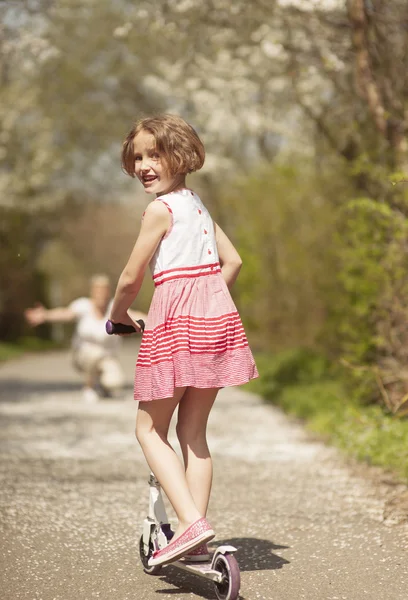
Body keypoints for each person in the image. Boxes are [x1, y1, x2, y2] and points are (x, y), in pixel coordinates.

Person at [109, 114, 258, 566]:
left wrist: (117, 316)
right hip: (215, 321)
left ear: (182, 155)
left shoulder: (160, 210)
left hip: (174, 324)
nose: (144, 165)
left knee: (148, 429)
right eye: (137, 157)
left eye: (155, 154)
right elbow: (232, 262)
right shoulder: (196, 205)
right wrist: (207, 301)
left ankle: (190, 523)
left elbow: (131, 279)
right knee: (193, 432)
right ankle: (200, 538)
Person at [25, 274, 143, 403]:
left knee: (115, 382)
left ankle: (103, 386)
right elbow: (65, 314)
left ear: (109, 292)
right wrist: (45, 315)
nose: (101, 295)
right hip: (83, 355)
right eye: (98, 291)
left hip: (107, 357)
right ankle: (89, 388)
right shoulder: (83, 306)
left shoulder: (114, 307)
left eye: (104, 291)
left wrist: (157, 321)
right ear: (92, 292)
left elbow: (135, 315)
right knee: (94, 353)